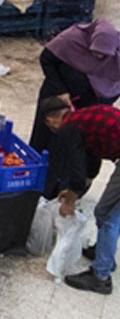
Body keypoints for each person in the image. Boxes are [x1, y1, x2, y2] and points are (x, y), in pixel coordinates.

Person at [41, 99, 120, 295]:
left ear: (50, 120)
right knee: (103, 212)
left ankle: (100, 277)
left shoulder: (68, 129)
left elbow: (76, 168)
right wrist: (82, 183)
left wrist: (71, 199)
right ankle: (104, 255)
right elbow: (91, 159)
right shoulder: (83, 118)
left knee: (110, 218)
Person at [30, 20, 120, 180]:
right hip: (57, 97)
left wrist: (98, 103)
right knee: (46, 137)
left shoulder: (116, 55)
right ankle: (35, 175)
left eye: (103, 55)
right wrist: (61, 91)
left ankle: (69, 184)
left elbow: (115, 87)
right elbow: (47, 60)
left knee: (81, 146)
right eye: (95, 52)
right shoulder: (71, 39)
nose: (98, 58)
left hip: (90, 105)